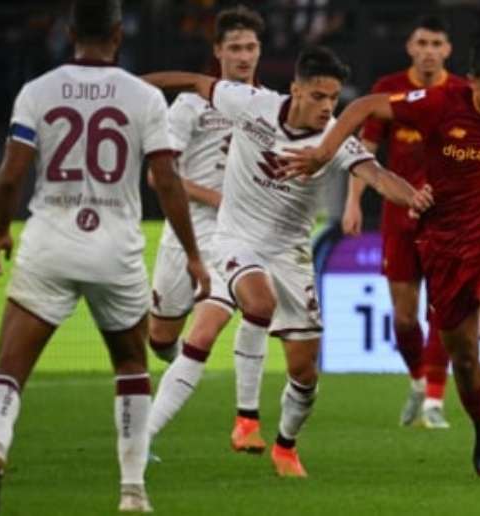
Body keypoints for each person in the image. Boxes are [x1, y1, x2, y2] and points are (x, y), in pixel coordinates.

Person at [280, 36, 480, 478]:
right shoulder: (436, 104)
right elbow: (362, 108)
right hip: (444, 248)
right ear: (471, 82)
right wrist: (322, 153)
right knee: (464, 357)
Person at [141, 45, 433, 477]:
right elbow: (195, 81)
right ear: (295, 90)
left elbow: (376, 175)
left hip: (291, 254)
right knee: (258, 303)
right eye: (318, 96)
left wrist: (414, 198)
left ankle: (286, 446)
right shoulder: (251, 104)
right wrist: (132, 86)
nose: (326, 107)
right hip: (235, 237)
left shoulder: (332, 139)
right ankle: (245, 420)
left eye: (333, 98)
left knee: (304, 373)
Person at [0, 0, 210, 512]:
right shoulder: (144, 97)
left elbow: (10, 175)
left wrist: (0, 232)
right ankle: (132, 489)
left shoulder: (38, 90)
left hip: (49, 241)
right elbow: (166, 180)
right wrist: (192, 254)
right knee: (129, 364)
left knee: (9, 367)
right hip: (115, 248)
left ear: (70, 32)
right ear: (118, 35)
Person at [147, 4, 271, 456]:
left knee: (208, 330)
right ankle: (179, 367)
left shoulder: (269, 106)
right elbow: (157, 177)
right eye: (235, 47)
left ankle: (148, 438)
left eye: (251, 47)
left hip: (235, 241)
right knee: (161, 338)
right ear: (217, 51)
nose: (243, 56)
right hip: (184, 234)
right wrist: (213, 196)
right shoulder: (191, 105)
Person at [342, 15, 464, 429]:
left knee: (443, 311)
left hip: (447, 217)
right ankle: (416, 380)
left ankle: (434, 400)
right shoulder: (388, 90)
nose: (429, 50)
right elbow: (366, 150)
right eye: (422, 42)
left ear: (447, 50)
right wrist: (353, 201)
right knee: (405, 316)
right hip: (399, 215)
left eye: (437, 43)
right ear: (410, 48)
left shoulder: (462, 93)